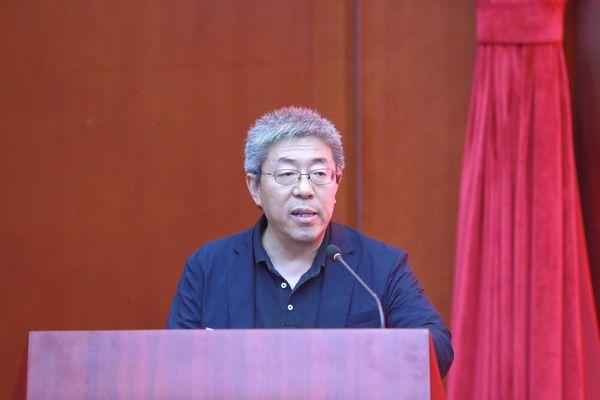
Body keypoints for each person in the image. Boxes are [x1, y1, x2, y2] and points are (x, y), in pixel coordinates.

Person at [167, 106, 453, 377]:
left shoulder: (380, 266)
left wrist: (358, 360)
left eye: (319, 174)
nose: (305, 189)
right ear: (255, 187)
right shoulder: (208, 267)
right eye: (287, 174)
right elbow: (175, 366)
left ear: (336, 182)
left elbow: (435, 348)